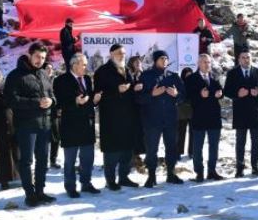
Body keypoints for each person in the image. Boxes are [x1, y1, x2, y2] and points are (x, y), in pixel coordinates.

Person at [4, 43, 57, 207]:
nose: (40, 60)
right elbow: (11, 100)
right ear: (29, 55)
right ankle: (30, 194)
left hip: (44, 124)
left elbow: (52, 95)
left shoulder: (43, 74)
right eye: (37, 57)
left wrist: (51, 101)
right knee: (26, 161)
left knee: (42, 160)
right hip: (26, 124)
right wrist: (36, 103)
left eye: (42, 58)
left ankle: (40, 191)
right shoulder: (15, 75)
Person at [95, 45, 143, 190]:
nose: (122, 56)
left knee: (127, 150)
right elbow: (98, 94)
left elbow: (131, 89)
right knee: (112, 151)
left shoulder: (127, 70)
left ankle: (124, 177)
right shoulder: (102, 71)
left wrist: (135, 88)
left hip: (128, 117)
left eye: (123, 53)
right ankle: (110, 180)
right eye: (118, 53)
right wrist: (116, 90)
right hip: (111, 118)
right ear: (111, 54)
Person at [53, 54, 101, 198]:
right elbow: (59, 102)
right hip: (71, 125)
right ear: (75, 65)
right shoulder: (61, 80)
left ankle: (86, 183)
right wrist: (75, 101)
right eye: (84, 64)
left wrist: (95, 100)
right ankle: (70, 186)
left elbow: (89, 99)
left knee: (88, 158)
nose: (86, 67)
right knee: (70, 160)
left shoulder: (86, 79)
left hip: (87, 124)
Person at [137, 50, 185, 187]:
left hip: (170, 119)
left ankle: (171, 174)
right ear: (155, 60)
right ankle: (151, 176)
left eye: (166, 58)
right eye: (162, 58)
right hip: (152, 120)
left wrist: (176, 94)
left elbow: (183, 97)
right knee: (152, 150)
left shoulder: (173, 76)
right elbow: (138, 98)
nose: (164, 61)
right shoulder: (145, 76)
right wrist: (152, 94)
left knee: (171, 148)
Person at [223, 50, 258, 178]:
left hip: (255, 112)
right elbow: (227, 90)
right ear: (239, 59)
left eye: (248, 57)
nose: (246, 60)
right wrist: (237, 93)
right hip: (240, 112)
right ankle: (240, 168)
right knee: (240, 141)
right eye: (243, 57)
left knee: (256, 141)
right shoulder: (232, 73)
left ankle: (255, 166)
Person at [186, 54, 225, 182]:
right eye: (204, 62)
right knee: (197, 147)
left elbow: (220, 91)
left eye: (208, 62)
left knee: (214, 146)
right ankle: (199, 173)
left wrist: (220, 94)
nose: (207, 64)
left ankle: (212, 171)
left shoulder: (214, 76)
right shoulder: (191, 78)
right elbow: (187, 97)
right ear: (198, 63)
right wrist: (199, 94)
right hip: (199, 117)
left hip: (214, 117)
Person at [44, 63, 61, 169]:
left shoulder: (57, 80)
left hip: (54, 112)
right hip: (43, 113)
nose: (49, 70)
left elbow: (60, 95)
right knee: (43, 139)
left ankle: (53, 160)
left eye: (51, 68)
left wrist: (60, 108)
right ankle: (43, 161)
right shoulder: (39, 79)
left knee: (55, 137)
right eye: (47, 68)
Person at [177, 67, 194, 159]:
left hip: (193, 111)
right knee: (180, 133)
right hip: (181, 112)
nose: (188, 77)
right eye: (186, 75)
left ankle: (192, 152)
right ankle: (178, 152)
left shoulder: (195, 84)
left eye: (190, 75)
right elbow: (179, 97)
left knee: (193, 133)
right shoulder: (180, 84)